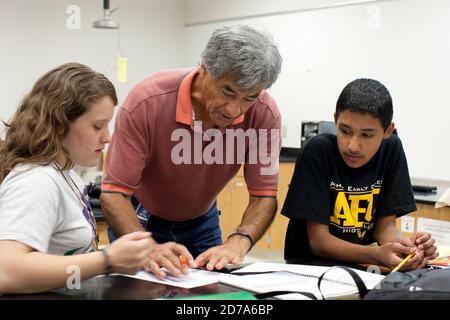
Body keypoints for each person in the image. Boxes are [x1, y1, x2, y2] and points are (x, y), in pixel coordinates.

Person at [100, 25, 282, 277]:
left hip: (202, 219)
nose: (234, 110)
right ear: (204, 68)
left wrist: (238, 241)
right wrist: (146, 247)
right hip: (140, 217)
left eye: (249, 97)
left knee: (210, 293)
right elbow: (113, 194)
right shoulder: (147, 102)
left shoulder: (264, 114)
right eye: (227, 91)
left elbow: (264, 196)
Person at [0, 63, 152, 294]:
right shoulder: (36, 181)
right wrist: (107, 260)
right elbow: (6, 272)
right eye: (97, 126)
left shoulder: (65, 174)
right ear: (60, 123)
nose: (108, 137)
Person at [282, 78, 438, 271]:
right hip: (309, 269)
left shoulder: (392, 150)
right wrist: (376, 255)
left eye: (367, 135)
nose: (352, 146)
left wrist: (406, 251)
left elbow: (385, 227)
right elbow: (319, 242)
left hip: (360, 268)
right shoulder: (318, 151)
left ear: (388, 130)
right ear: (335, 120)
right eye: (345, 131)